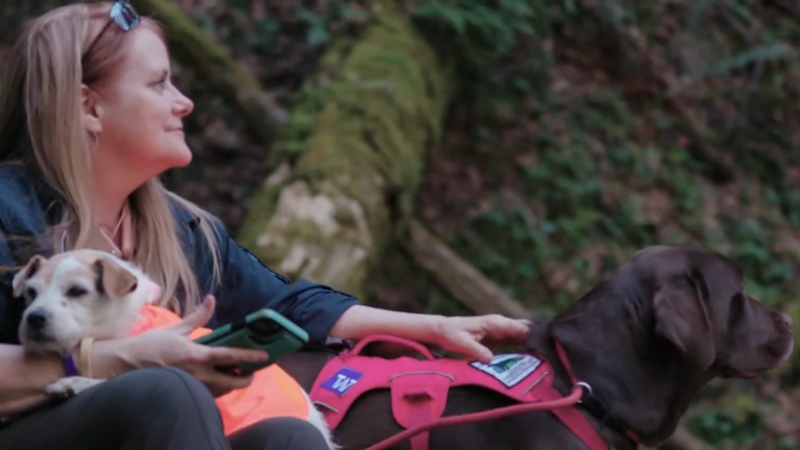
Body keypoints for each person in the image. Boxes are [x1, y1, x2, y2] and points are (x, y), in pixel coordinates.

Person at [0, 1, 530, 449]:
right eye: (159, 84)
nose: (183, 103)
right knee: (168, 392)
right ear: (89, 107)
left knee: (288, 437)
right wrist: (115, 360)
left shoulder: (189, 232)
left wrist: (433, 327)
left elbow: (290, 305)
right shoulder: (7, 206)